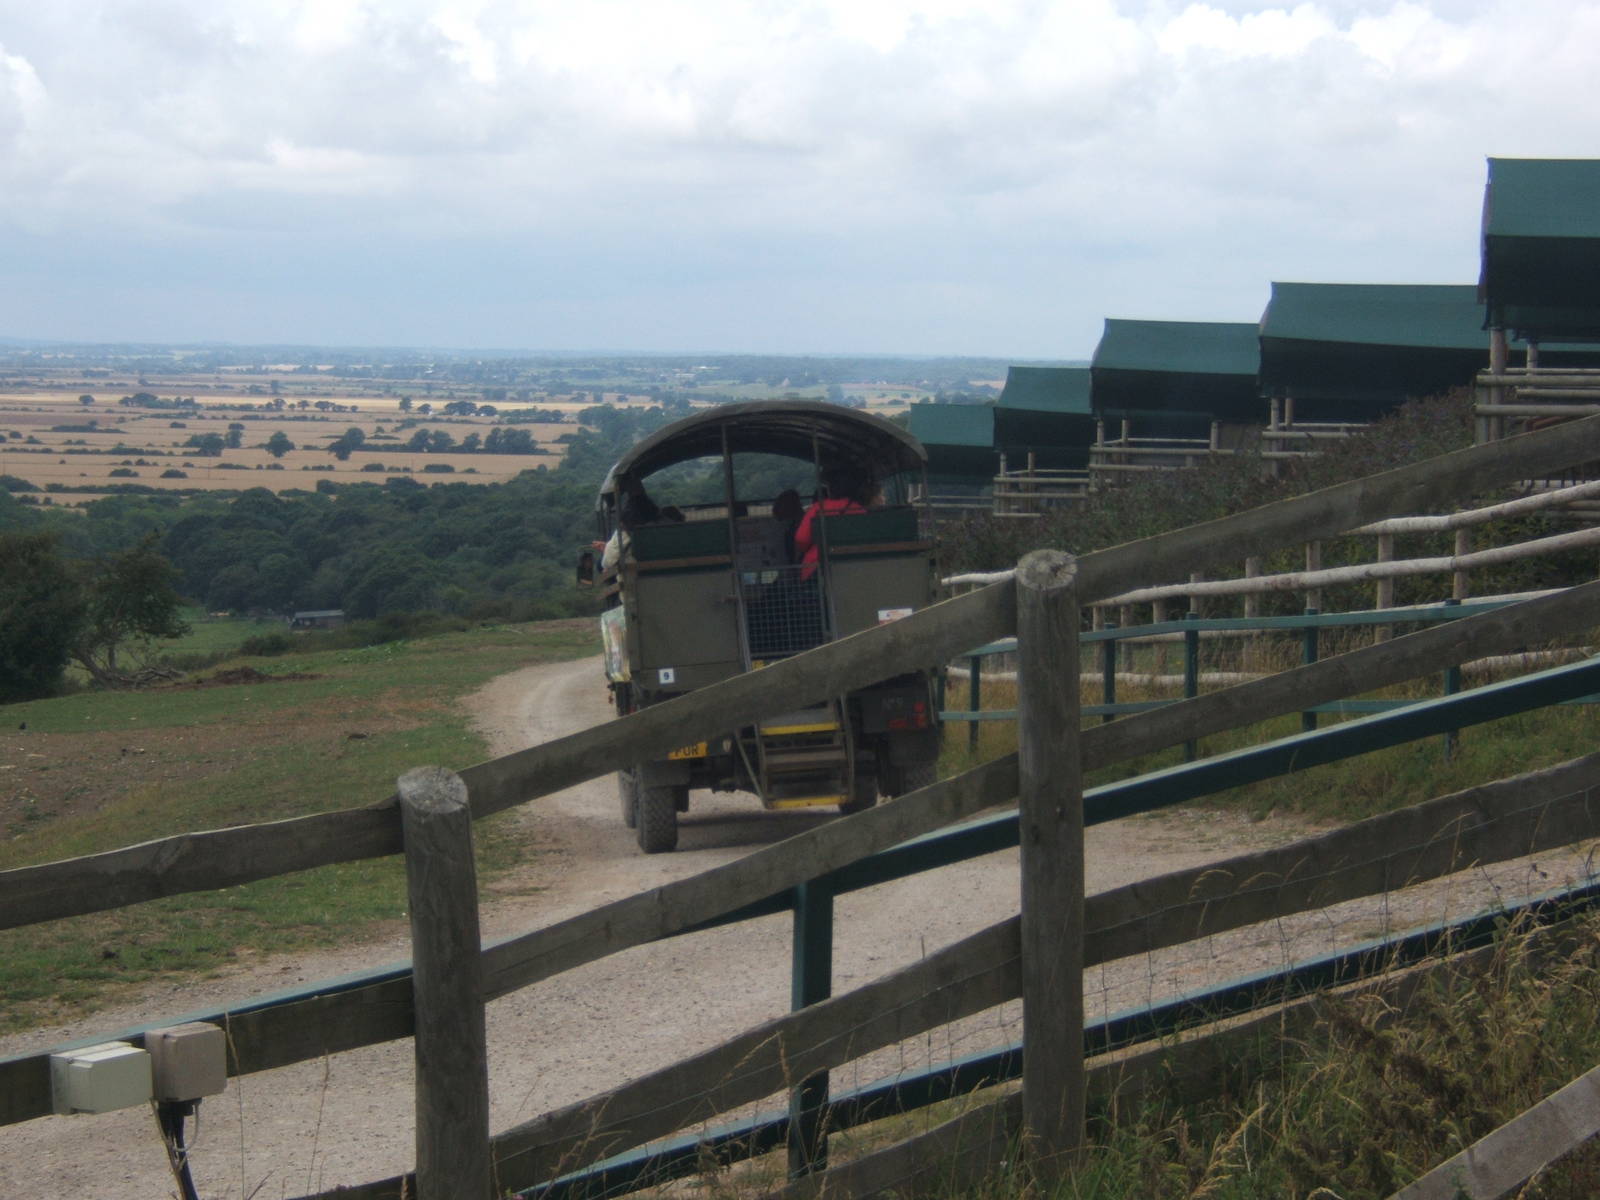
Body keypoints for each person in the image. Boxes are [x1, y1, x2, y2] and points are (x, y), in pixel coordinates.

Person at [794, 470, 872, 580]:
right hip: (855, 569)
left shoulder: (818, 508)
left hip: (818, 568)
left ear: (831, 489)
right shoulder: (860, 510)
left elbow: (801, 539)